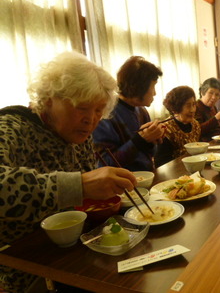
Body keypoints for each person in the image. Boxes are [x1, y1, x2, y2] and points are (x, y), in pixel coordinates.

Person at [0, 52, 137, 293]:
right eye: (82, 108)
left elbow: (85, 199)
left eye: (98, 110)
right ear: (49, 99)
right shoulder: (11, 128)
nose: (91, 120)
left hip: (75, 255)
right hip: (23, 270)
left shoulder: (79, 135)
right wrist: (78, 185)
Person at [93, 56, 164, 171]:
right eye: (153, 86)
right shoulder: (106, 114)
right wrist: (140, 140)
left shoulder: (141, 110)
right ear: (139, 87)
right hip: (123, 185)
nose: (155, 93)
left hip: (147, 178)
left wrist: (152, 140)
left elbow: (149, 155)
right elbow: (104, 165)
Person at [155, 86, 201, 167]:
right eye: (188, 105)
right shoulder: (166, 130)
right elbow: (161, 164)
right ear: (176, 108)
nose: (192, 110)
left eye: (194, 104)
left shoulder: (195, 125)